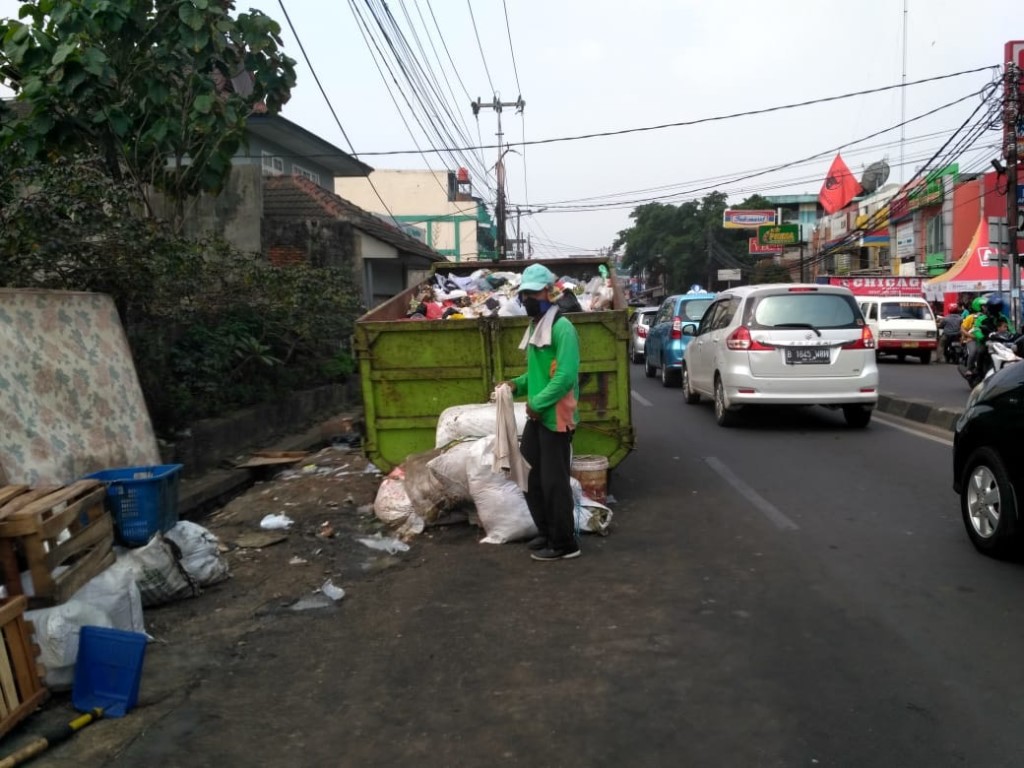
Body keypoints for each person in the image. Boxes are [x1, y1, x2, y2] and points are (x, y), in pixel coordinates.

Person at [503, 263, 582, 562]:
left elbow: (565, 377)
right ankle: (547, 532)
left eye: (531, 294)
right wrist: (514, 385)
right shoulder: (537, 327)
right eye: (523, 295)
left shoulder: (563, 329)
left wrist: (537, 404)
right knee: (530, 478)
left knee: (554, 483)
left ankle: (565, 544)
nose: (526, 300)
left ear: (548, 293)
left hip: (555, 419)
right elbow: (535, 376)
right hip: (538, 417)